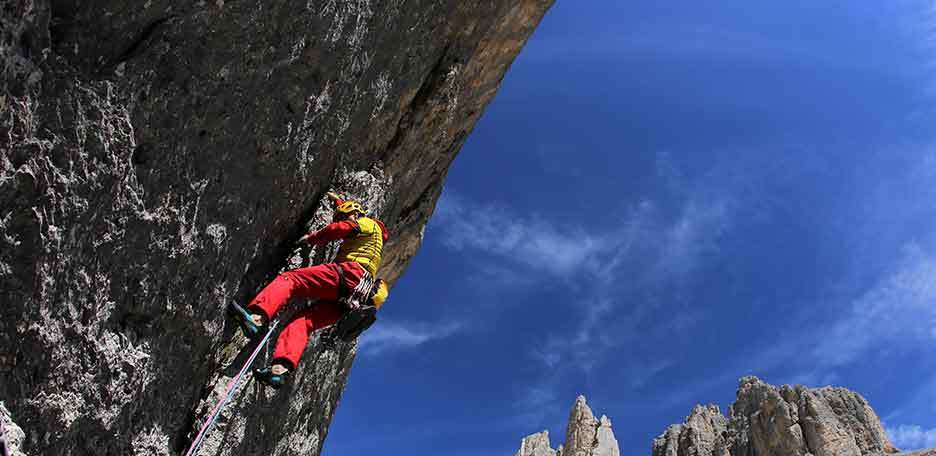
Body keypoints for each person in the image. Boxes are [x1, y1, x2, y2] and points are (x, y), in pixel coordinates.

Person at [233, 192, 389, 388]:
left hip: (350, 274)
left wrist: (311, 239)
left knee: (290, 279)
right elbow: (347, 217)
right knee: (304, 322)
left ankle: (256, 318)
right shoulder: (376, 240)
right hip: (354, 300)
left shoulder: (367, 222)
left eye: (343, 214)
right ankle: (278, 370)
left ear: (355, 213)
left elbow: (340, 228)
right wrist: (338, 201)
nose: (339, 218)